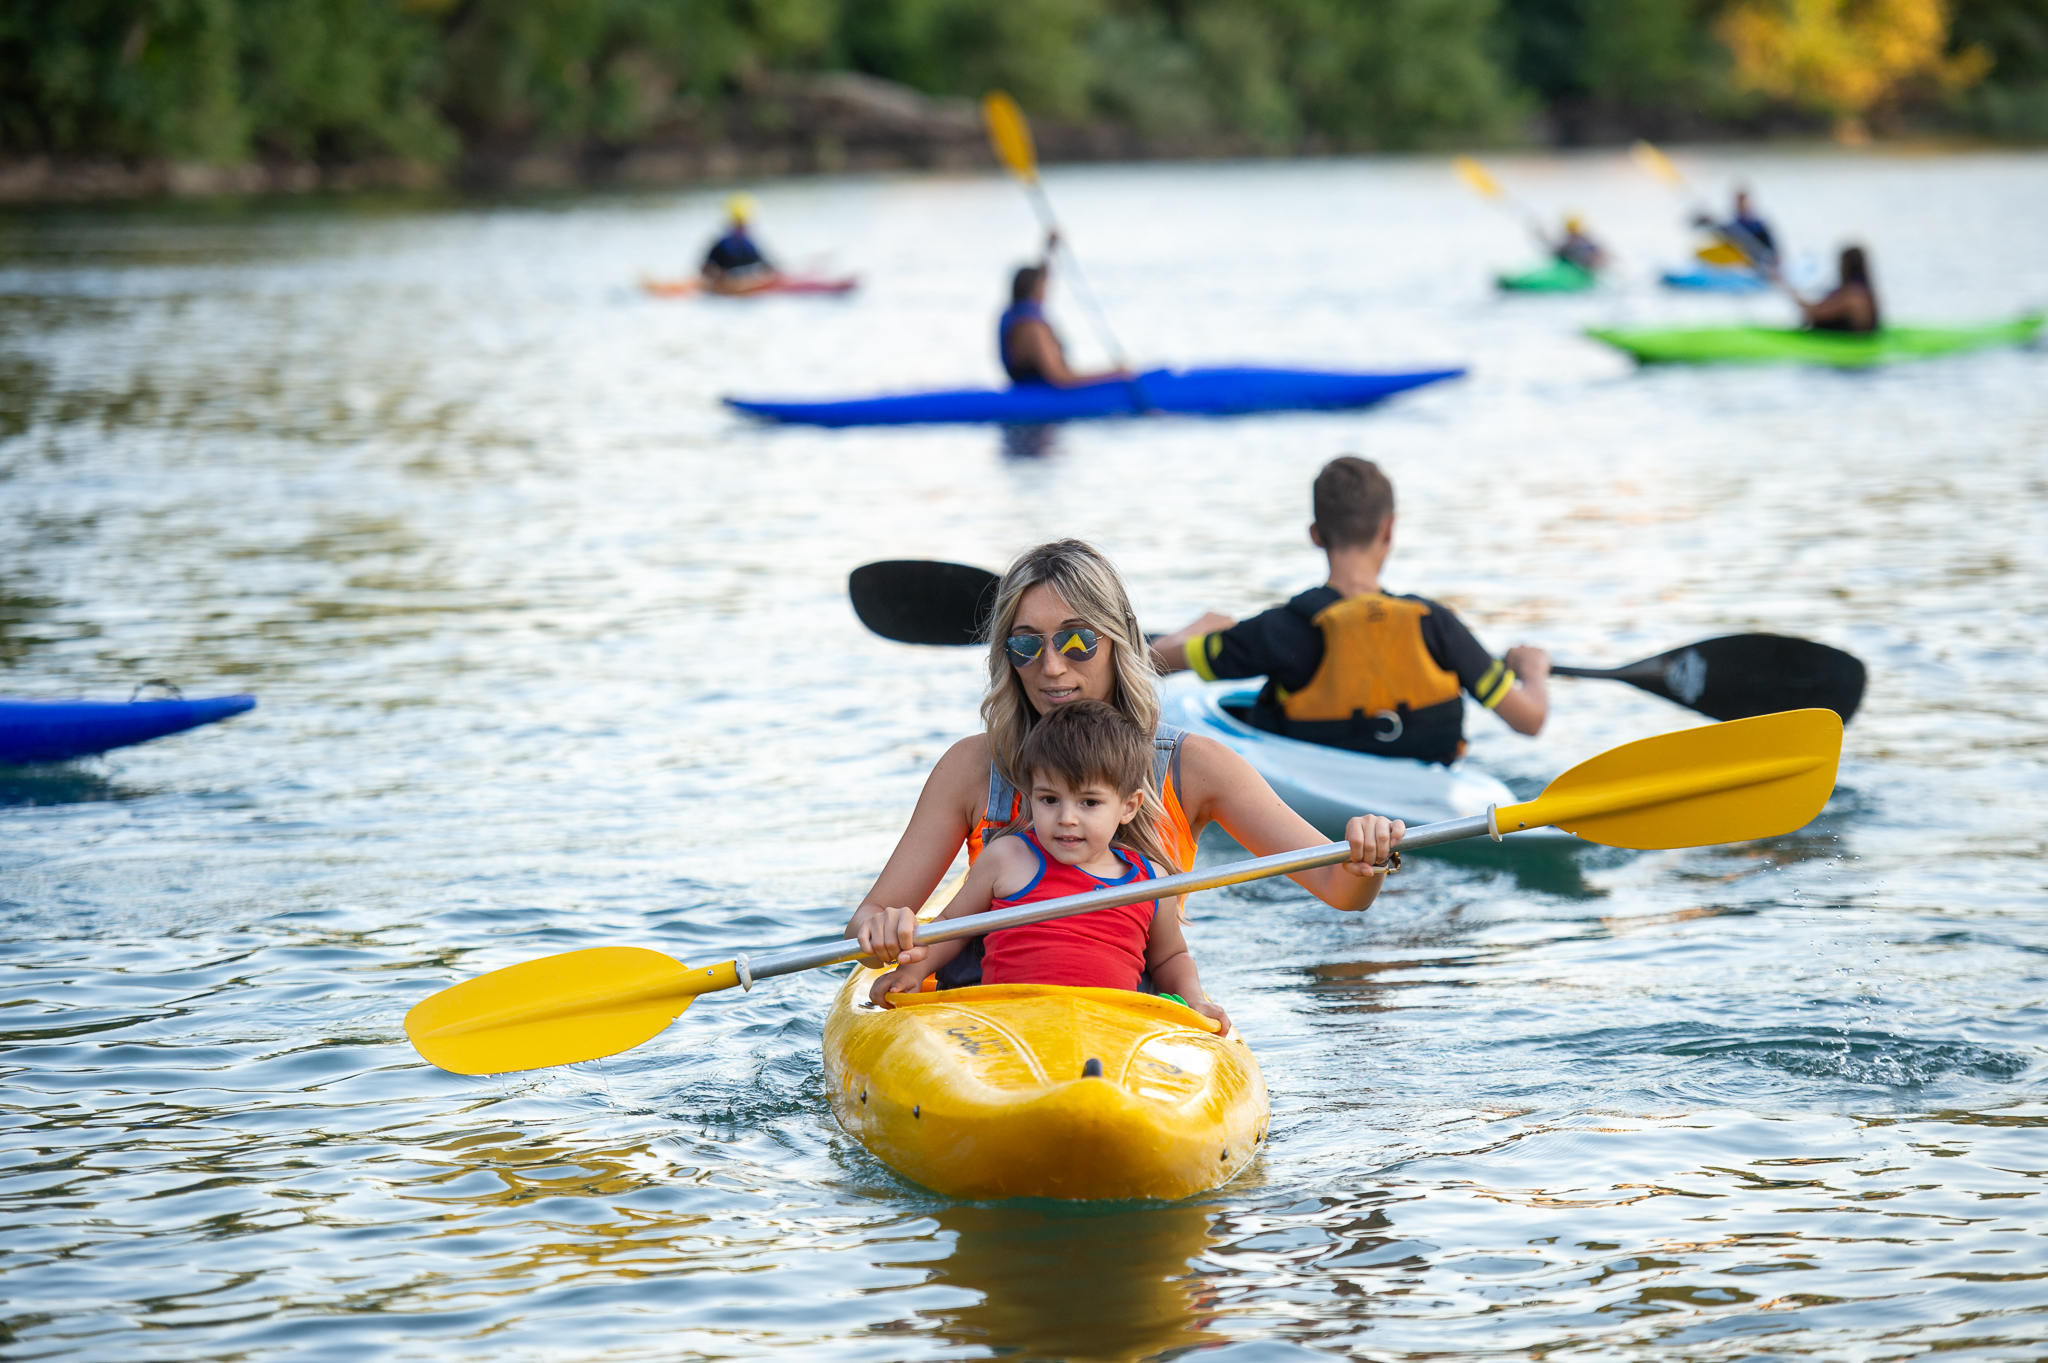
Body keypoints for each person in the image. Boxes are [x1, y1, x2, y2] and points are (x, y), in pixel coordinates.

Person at [849, 539, 1403, 981]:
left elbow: (1340, 889)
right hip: (990, 1004)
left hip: (1128, 1001)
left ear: (1119, 643)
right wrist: (886, 931)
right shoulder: (973, 767)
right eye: (1025, 645)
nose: (1052, 668)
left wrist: (1369, 860)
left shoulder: (1194, 766)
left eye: (1077, 642)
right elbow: (867, 924)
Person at [1152, 457, 1549, 766]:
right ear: (1389, 529)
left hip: (1322, 788)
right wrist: (1532, 670)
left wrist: (1198, 628)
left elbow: (1153, 663)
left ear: (1315, 534)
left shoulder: (1277, 632)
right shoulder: (1436, 624)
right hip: (1425, 784)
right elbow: (1529, 720)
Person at [866, 700, 1233, 1033]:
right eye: (1049, 799)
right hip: (1006, 1026)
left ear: (1128, 806)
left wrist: (1194, 999)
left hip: (1113, 1031)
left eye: (1089, 802)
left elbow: (1170, 956)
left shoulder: (1151, 881)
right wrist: (912, 974)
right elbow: (951, 929)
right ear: (1029, 796)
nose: (1067, 818)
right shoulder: (1006, 858)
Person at [998, 235, 1130, 387]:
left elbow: (1041, 275)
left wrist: (1048, 249)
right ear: (1036, 290)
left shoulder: (1015, 313)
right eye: (1044, 286)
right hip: (1042, 394)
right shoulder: (1031, 326)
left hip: (1027, 388)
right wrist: (1114, 373)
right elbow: (1059, 378)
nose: (1047, 288)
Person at [1798, 245, 1880, 333]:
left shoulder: (1854, 295)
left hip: (1845, 344)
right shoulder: (1863, 292)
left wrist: (1792, 292)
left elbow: (1814, 313)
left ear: (1846, 266)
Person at [700, 194, 775, 291]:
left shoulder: (749, 245)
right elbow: (705, 269)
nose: (742, 228)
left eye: (743, 224)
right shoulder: (722, 245)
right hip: (727, 286)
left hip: (749, 285)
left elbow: (768, 266)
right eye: (739, 224)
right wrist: (721, 279)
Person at [1695, 188, 1777, 269]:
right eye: (1739, 201)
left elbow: (1769, 244)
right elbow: (1721, 226)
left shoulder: (1757, 223)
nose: (1740, 203)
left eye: (1743, 201)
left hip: (1755, 256)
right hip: (1736, 252)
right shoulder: (1732, 220)